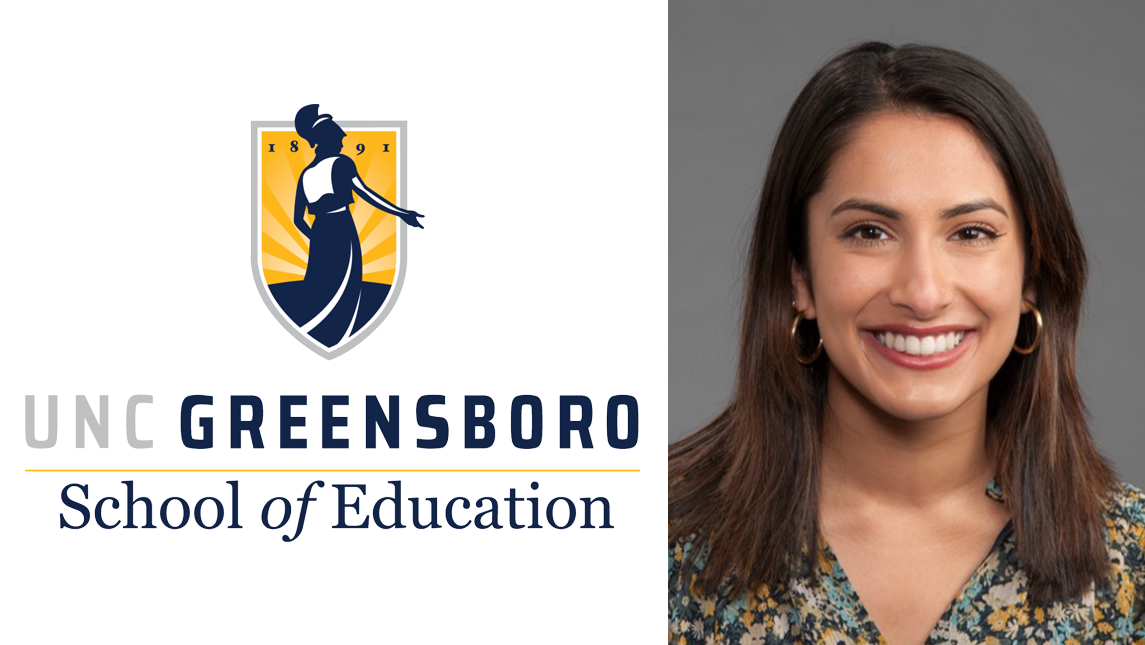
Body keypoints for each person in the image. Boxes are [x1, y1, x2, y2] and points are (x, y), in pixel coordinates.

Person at [668, 42, 1145, 645]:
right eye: (869, 232)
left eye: (971, 232)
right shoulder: (651, 546)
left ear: (1030, 277)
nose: (923, 293)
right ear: (799, 275)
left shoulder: (1133, 566)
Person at [269, 104, 426, 348]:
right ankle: (338, 332)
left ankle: (316, 329)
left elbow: (298, 219)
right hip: (341, 228)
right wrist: (402, 213)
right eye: (339, 135)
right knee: (346, 284)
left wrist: (317, 239)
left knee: (320, 284)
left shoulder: (305, 173)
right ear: (328, 138)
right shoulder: (342, 163)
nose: (343, 140)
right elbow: (366, 193)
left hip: (320, 232)